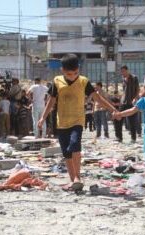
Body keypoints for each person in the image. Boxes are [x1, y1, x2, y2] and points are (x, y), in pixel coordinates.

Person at [37, 53, 117, 191]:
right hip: (61, 121)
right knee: (66, 153)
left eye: (75, 73)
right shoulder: (57, 81)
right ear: (62, 70)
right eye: (69, 74)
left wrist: (112, 109)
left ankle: (77, 177)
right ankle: (73, 180)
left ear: (78, 69)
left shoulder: (83, 81)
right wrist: (43, 117)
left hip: (77, 121)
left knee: (75, 145)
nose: (73, 76)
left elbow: (96, 98)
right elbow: (51, 101)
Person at [117, 65, 140, 143]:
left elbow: (137, 89)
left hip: (131, 103)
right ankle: (119, 138)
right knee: (118, 118)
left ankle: (133, 138)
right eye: (121, 72)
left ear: (127, 70)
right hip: (124, 102)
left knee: (132, 121)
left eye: (123, 71)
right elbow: (124, 91)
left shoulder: (134, 78)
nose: (122, 73)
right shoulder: (123, 79)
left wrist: (135, 98)